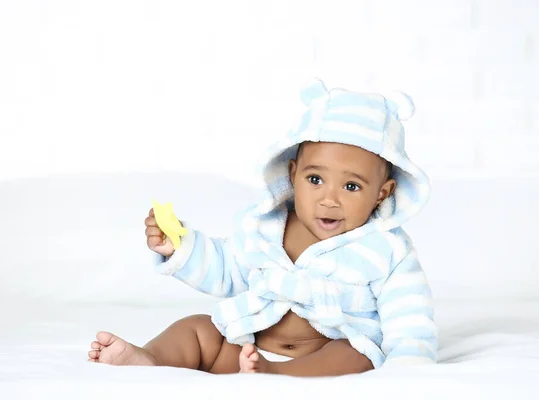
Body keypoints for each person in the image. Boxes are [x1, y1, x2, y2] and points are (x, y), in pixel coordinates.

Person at [88, 79, 438, 376]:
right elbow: (227, 268)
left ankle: (277, 377)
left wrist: (409, 363)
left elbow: (409, 317)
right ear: (292, 175)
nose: (329, 199)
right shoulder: (267, 227)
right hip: (248, 347)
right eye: (315, 179)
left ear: (382, 193)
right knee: (197, 327)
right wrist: (179, 246)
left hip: (323, 359)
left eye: (351, 187)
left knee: (359, 353)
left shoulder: (386, 250)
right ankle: (150, 359)